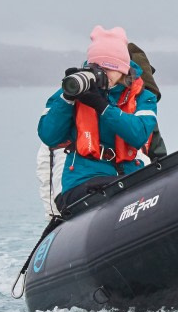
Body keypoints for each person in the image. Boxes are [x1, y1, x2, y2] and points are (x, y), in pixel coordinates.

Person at [37, 25, 160, 213]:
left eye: (108, 68)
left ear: (123, 69)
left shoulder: (143, 97)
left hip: (128, 176)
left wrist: (102, 106)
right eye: (97, 67)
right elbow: (49, 136)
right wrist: (67, 99)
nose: (102, 74)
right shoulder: (77, 90)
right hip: (83, 179)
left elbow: (138, 134)